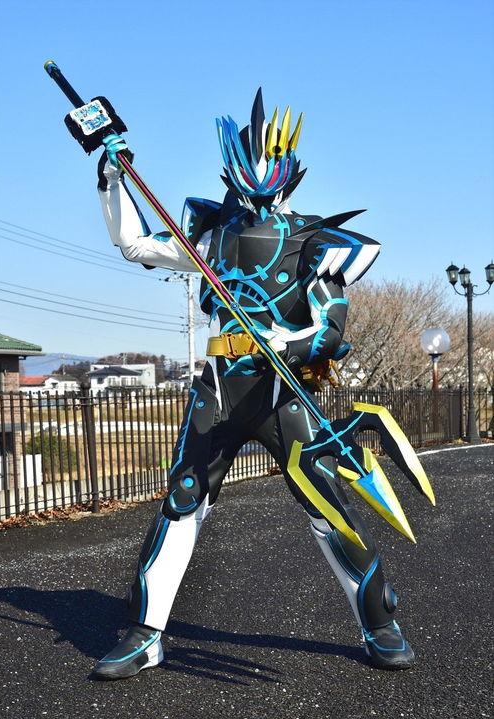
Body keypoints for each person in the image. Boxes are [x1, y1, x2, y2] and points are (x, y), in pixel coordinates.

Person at [91, 89, 414, 679]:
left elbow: (329, 330)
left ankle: (378, 621)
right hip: (219, 391)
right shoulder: (212, 235)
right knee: (183, 499)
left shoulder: (313, 242)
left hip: (281, 392)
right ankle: (145, 633)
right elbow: (134, 244)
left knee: (326, 502)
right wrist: (113, 178)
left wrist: (285, 344)